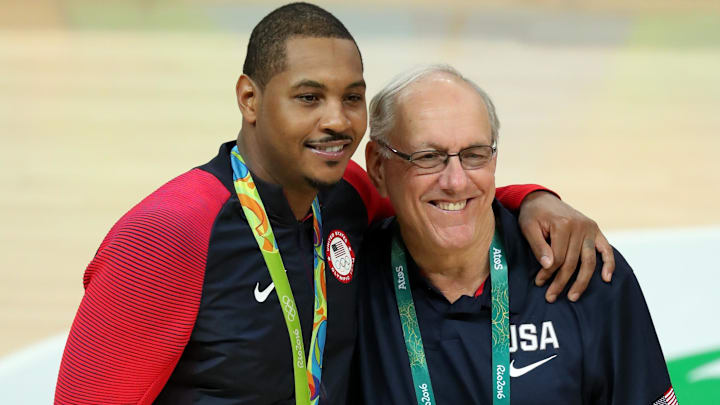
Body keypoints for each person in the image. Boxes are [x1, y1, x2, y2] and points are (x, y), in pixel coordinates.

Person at [54, 3, 615, 405]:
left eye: (352, 98)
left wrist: (535, 200)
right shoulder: (168, 233)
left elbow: (439, 190)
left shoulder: (345, 197)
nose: (336, 120)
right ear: (249, 99)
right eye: (308, 97)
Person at [356, 65, 676, 404]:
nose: (455, 181)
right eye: (428, 157)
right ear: (378, 166)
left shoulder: (581, 270)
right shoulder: (346, 282)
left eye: (474, 155)